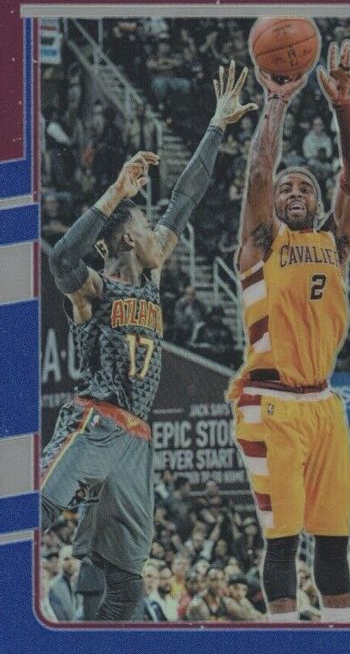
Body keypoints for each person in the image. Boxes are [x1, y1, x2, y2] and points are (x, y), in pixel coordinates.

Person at [41, 62, 257, 621]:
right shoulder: (95, 290)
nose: (162, 232)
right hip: (94, 420)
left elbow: (186, 197)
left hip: (136, 438)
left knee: (126, 584)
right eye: (148, 227)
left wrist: (216, 126)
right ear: (128, 240)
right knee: (30, 510)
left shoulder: (153, 280)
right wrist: (116, 192)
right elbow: (61, 259)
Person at [228, 40, 350, 623]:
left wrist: (343, 106)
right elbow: (260, 172)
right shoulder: (261, 243)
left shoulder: (335, 244)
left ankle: (339, 631)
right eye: (287, 188)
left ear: (316, 201)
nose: (292, 192)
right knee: (283, 541)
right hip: (271, 403)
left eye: (304, 187)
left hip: (324, 405)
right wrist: (277, 102)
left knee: (334, 540)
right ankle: (285, 635)